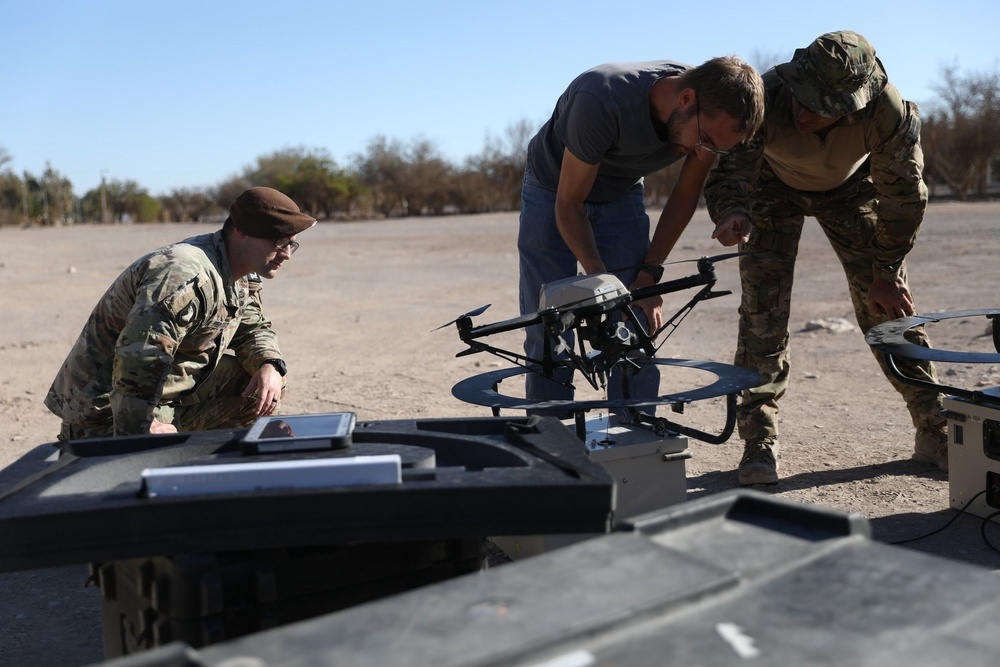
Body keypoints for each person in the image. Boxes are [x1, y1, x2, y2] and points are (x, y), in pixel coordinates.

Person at [704, 30, 947, 485]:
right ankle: (759, 439)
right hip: (772, 191)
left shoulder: (886, 111)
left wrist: (886, 271)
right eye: (802, 96)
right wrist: (733, 212)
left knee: (888, 310)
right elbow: (731, 171)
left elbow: (904, 197)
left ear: (854, 101)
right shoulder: (768, 95)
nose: (803, 111)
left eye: (819, 105)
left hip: (852, 192)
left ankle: (934, 427)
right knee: (763, 312)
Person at [518, 56, 765, 411]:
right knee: (549, 327)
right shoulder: (601, 98)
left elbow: (684, 195)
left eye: (714, 150)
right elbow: (569, 204)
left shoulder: (710, 116)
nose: (701, 153)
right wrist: (600, 284)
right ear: (686, 100)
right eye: (705, 140)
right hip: (552, 188)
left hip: (620, 193)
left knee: (637, 318)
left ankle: (636, 436)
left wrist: (649, 276)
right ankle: (550, 437)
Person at [45, 186, 317, 440]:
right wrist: (141, 427)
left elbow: (253, 326)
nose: (287, 255)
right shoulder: (183, 275)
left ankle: (206, 465)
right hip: (107, 413)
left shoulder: (240, 271)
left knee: (262, 385)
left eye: (291, 244)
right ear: (242, 232)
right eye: (279, 242)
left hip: (168, 394)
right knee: (140, 454)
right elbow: (140, 358)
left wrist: (268, 363)